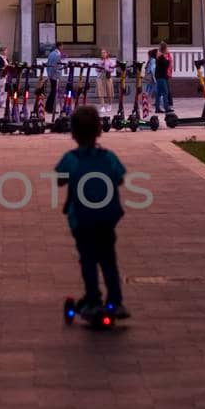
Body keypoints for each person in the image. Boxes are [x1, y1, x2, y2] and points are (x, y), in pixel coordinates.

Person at [55, 105, 128, 321]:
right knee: (108, 259)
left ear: (73, 133)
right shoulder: (108, 157)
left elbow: (60, 180)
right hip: (107, 219)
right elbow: (120, 178)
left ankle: (93, 300)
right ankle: (115, 301)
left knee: (88, 259)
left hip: (82, 220)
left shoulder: (71, 159)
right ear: (99, 130)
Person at [96, 47, 116, 117]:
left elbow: (112, 70)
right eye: (102, 53)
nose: (103, 54)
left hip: (108, 78)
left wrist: (106, 68)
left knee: (109, 92)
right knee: (101, 92)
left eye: (104, 52)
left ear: (107, 53)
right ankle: (102, 106)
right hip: (100, 78)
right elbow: (97, 69)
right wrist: (101, 66)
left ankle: (109, 105)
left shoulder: (110, 61)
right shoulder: (99, 61)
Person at [155, 44, 174, 113]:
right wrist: (168, 60)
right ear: (164, 49)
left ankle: (157, 108)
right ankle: (166, 108)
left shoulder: (160, 56)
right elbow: (165, 65)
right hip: (161, 77)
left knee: (159, 93)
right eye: (167, 49)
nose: (168, 50)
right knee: (165, 92)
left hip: (161, 77)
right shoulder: (162, 57)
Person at [45, 42, 63, 113]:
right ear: (59, 46)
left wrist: (49, 74)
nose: (62, 48)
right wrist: (52, 75)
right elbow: (55, 66)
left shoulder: (51, 54)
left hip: (51, 75)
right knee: (53, 92)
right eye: (62, 46)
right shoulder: (57, 55)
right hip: (54, 76)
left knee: (52, 92)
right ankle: (50, 108)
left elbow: (48, 64)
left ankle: (48, 107)